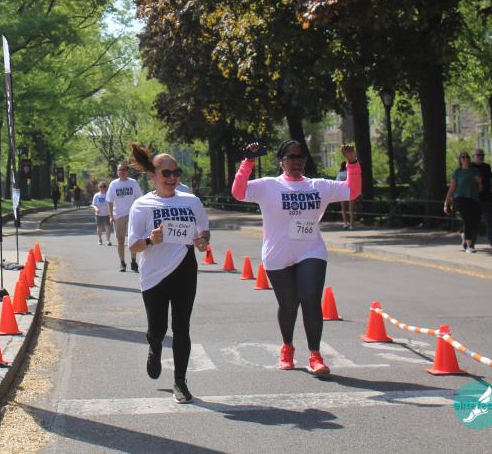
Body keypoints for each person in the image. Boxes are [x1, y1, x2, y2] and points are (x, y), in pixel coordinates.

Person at [232, 140, 362, 376]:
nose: (297, 162)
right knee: (289, 305)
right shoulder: (268, 185)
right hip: (277, 254)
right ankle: (287, 347)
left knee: (311, 299)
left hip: (311, 250)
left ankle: (315, 355)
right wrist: (248, 162)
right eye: (291, 157)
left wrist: (352, 162)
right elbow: (238, 192)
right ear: (281, 162)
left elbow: (352, 191)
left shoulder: (318, 186)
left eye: (301, 157)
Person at [127, 143, 210, 404]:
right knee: (158, 328)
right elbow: (133, 245)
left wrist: (203, 242)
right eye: (166, 173)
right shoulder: (142, 205)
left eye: (176, 172)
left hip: (185, 269)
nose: (173, 178)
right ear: (154, 175)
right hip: (154, 275)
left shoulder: (191, 201)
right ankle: (154, 346)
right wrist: (150, 240)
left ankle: (180, 382)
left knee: (181, 327)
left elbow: (203, 232)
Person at [106, 161, 143, 271]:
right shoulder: (113, 184)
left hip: (132, 215)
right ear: (117, 172)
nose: (121, 172)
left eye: (124, 170)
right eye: (119, 170)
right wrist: (111, 216)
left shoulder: (133, 183)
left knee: (133, 239)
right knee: (120, 240)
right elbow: (109, 201)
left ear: (127, 171)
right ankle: (122, 263)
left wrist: (140, 213)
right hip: (118, 215)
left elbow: (139, 199)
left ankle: (133, 261)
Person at [443, 152, 483, 253]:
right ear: (460, 160)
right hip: (460, 199)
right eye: (463, 157)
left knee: (475, 222)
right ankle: (469, 246)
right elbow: (451, 189)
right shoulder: (458, 172)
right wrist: (446, 203)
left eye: (467, 156)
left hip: (473, 199)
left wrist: (479, 182)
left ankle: (463, 233)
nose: (465, 158)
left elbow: (480, 189)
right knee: (468, 220)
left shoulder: (475, 171)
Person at [472, 149, 492, 250]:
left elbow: (491, 180)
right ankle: (468, 241)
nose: (481, 156)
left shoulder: (487, 166)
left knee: (489, 220)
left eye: (482, 155)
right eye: (478, 155)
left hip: (487, 197)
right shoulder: (471, 167)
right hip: (474, 198)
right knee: (473, 221)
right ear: (474, 156)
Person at [336, 162, 355, 229]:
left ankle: (345, 223)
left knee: (343, 208)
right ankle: (352, 224)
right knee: (351, 208)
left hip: (342, 192)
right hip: (351, 191)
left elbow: (337, 183)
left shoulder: (340, 174)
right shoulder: (351, 173)